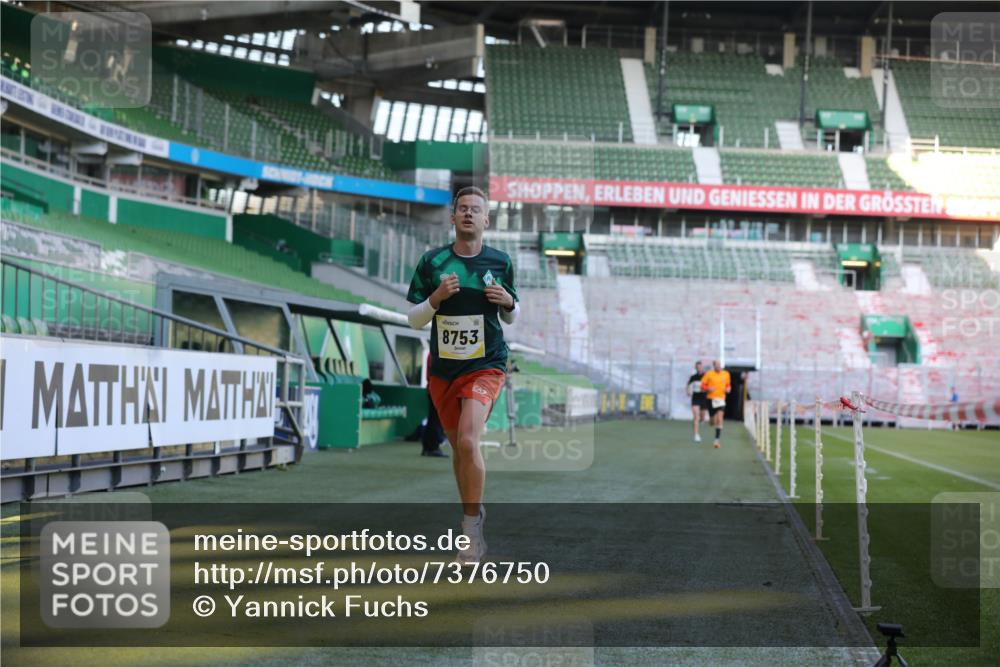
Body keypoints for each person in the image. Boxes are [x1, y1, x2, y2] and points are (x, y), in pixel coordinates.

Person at [406, 185, 519, 565]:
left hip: (486, 364)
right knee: (459, 448)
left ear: (487, 220)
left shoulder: (500, 262)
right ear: (453, 217)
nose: (469, 214)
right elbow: (414, 317)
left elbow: (509, 314)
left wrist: (509, 304)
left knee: (469, 441)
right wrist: (435, 299)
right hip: (443, 368)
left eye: (476, 209)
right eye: (463, 208)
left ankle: (470, 529)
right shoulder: (432, 262)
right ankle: (473, 512)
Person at [421, 353, 448, 457]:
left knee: (433, 419)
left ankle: (428, 447)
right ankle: (432, 447)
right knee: (435, 420)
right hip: (436, 390)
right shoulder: (436, 354)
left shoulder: (433, 354)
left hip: (434, 389)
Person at [700, 359, 731, 449]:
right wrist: (708, 389)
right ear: (714, 366)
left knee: (720, 418)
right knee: (713, 421)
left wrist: (728, 389)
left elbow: (728, 385)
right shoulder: (709, 374)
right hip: (711, 399)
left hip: (721, 399)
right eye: (717, 365)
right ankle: (711, 420)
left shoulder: (726, 374)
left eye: (720, 365)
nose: (719, 366)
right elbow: (702, 385)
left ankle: (717, 440)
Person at [686, 360, 708, 443]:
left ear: (702, 367)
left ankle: (702, 420)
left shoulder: (706, 376)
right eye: (697, 367)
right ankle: (696, 435)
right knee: (696, 417)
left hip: (703, 398)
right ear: (696, 368)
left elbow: (710, 385)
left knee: (702, 417)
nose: (699, 368)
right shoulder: (693, 377)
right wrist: (688, 391)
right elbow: (688, 385)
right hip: (695, 398)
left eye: (700, 367)